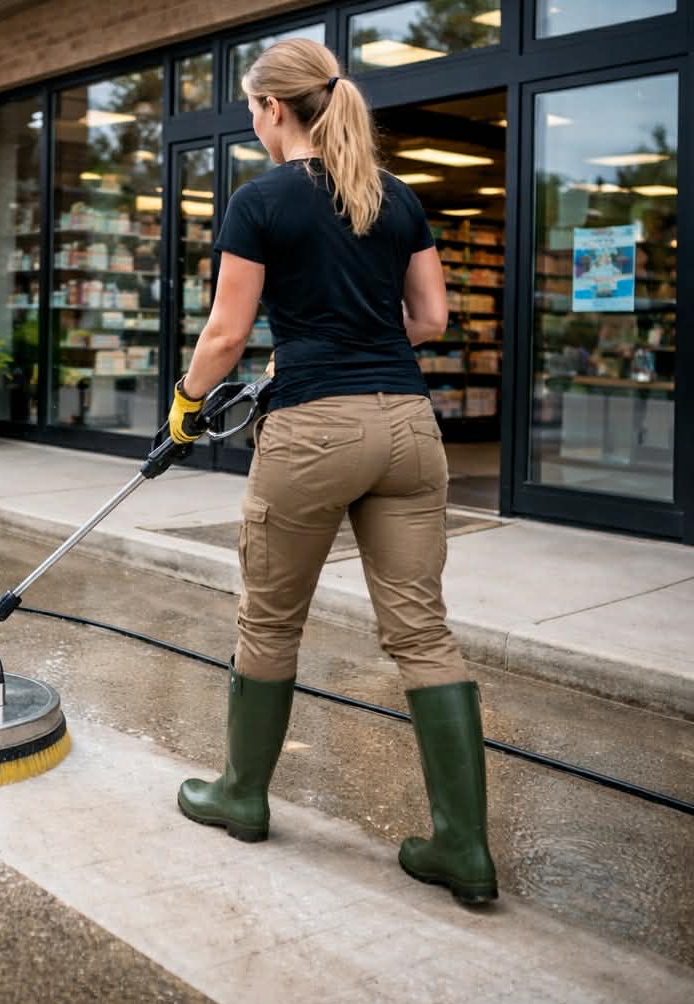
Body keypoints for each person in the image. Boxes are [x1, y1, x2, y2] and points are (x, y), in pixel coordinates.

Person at [168, 38, 497, 905]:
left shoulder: (260, 200)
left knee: (271, 623)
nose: (252, 123)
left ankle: (242, 795)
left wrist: (185, 402)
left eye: (252, 110)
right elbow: (429, 319)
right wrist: (352, 332)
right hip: (408, 427)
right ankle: (462, 846)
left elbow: (226, 336)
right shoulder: (398, 199)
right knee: (423, 635)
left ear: (276, 110)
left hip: (315, 429)